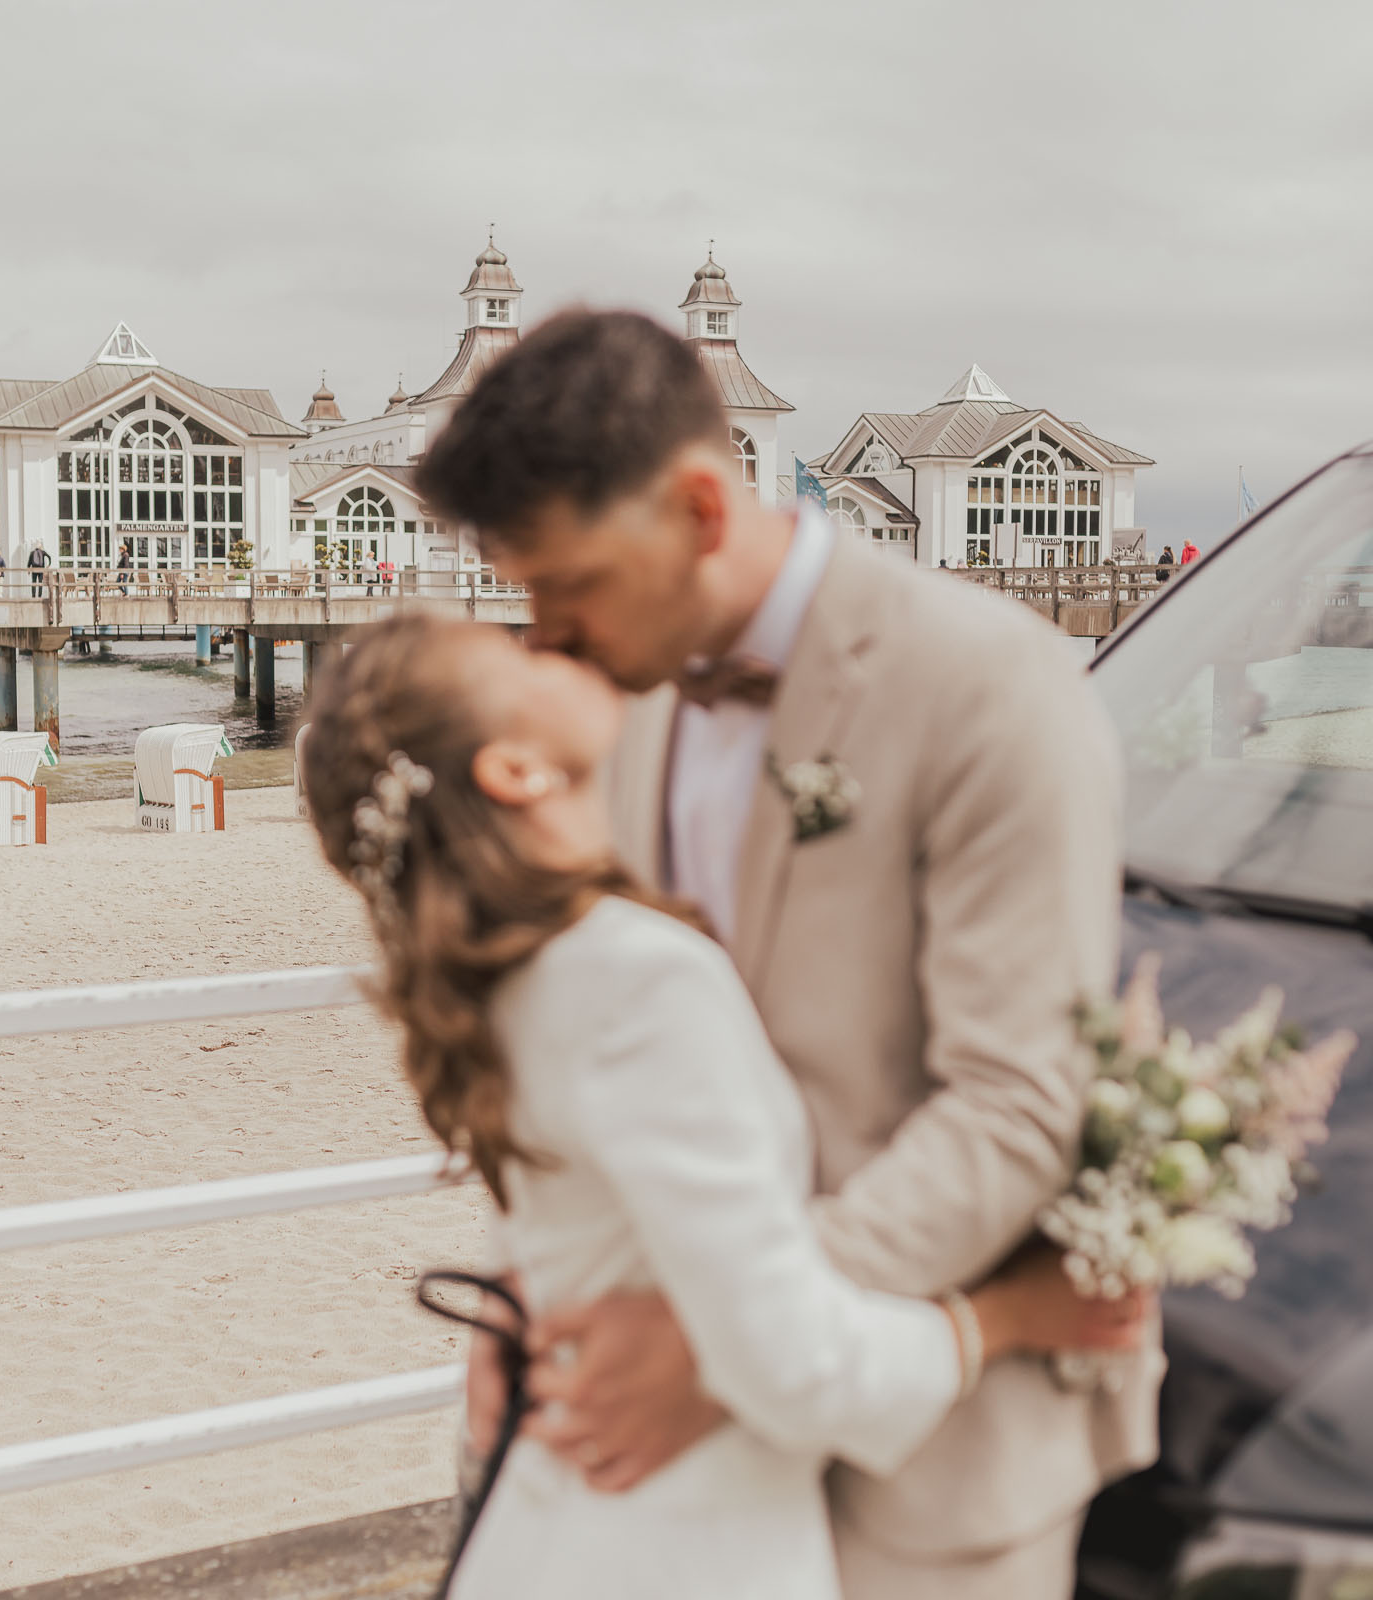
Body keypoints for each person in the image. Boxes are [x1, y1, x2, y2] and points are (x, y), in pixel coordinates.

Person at [415, 310, 1157, 1600]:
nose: (544, 637)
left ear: (701, 507)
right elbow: (614, 1048)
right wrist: (524, 1290)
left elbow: (1017, 1106)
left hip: (930, 1469)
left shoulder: (995, 688)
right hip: (692, 1475)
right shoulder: (631, 696)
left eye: (567, 586)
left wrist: (728, 1343)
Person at [300, 615, 1138, 1599]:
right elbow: (794, 1366)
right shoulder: (637, 977)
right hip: (681, 1540)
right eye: (519, 658)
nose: (556, 646)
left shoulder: (508, 972)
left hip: (563, 1516)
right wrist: (1007, 1316)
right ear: (516, 770)